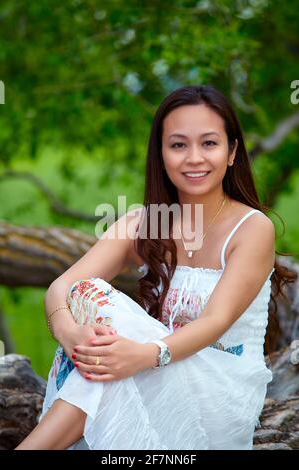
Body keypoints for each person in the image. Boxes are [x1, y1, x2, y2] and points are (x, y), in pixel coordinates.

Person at [15, 84, 294, 450]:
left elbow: (215, 322)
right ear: (161, 154)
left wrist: (143, 355)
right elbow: (62, 287)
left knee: (111, 325)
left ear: (232, 152)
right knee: (89, 303)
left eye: (209, 143)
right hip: (151, 376)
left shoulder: (253, 228)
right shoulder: (144, 222)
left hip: (219, 393)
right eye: (178, 145)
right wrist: (71, 335)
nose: (194, 158)